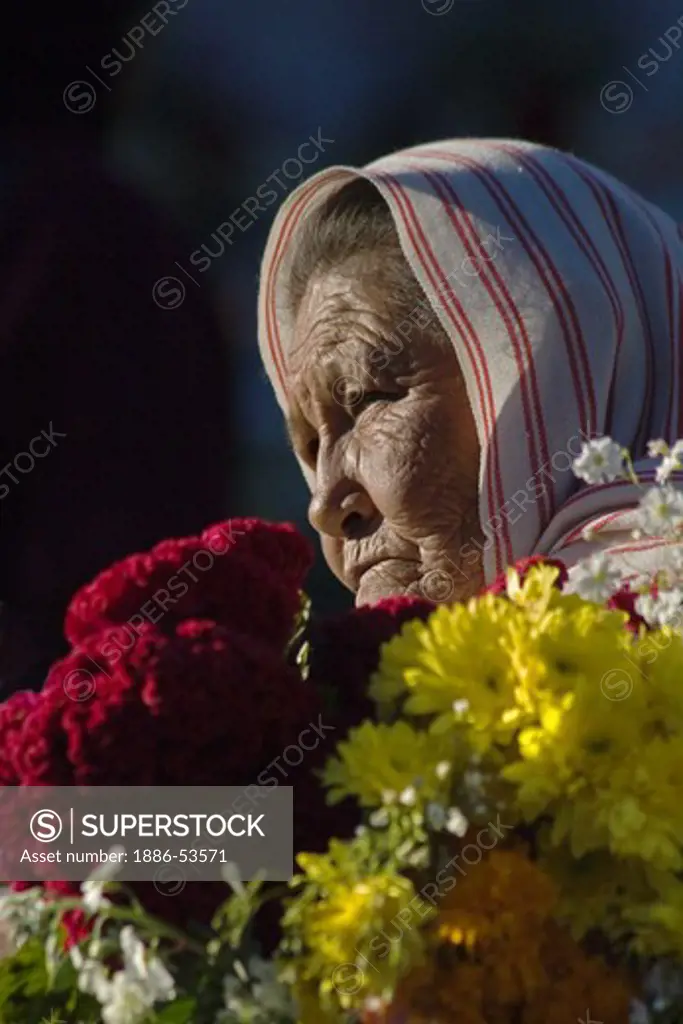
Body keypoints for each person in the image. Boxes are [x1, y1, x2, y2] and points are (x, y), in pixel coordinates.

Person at [257, 138, 683, 606]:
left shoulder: (639, 630)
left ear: (544, 382)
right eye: (312, 447)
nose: (323, 507)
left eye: (369, 399)